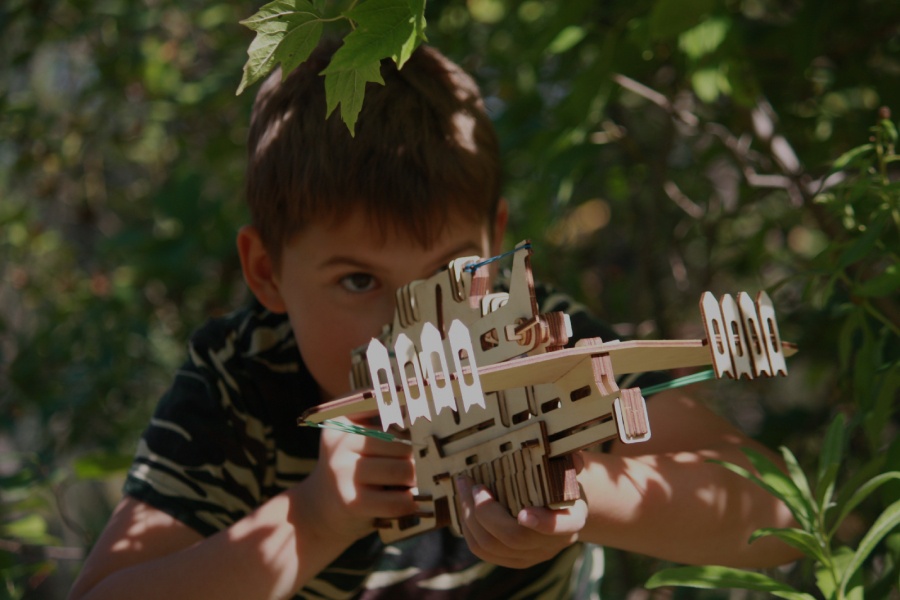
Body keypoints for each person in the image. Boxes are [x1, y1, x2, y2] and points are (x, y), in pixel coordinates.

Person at [69, 40, 799, 600]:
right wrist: (315, 518)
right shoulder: (242, 382)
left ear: (497, 240)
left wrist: (582, 496)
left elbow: (781, 512)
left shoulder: (539, 342)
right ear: (266, 272)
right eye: (359, 280)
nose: (416, 330)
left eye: (453, 274)